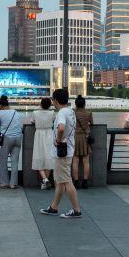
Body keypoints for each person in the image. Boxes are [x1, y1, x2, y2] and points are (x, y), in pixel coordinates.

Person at [39, 89, 83, 219]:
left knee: (66, 181)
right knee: (59, 181)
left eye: (53, 99)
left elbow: (61, 128)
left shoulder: (62, 113)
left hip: (62, 152)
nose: (52, 102)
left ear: (56, 100)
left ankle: (76, 210)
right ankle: (53, 207)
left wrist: (58, 140)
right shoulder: (71, 111)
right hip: (68, 149)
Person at [0, 96, 23, 188]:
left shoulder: (0, 113)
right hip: (18, 137)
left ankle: (4, 182)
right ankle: (13, 184)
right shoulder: (16, 112)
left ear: (0, 105)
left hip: (7, 138)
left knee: (1, 161)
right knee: (14, 161)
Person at [31, 98, 56, 189]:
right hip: (49, 134)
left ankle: (45, 180)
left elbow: (32, 122)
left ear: (41, 104)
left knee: (38, 156)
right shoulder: (52, 113)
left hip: (39, 135)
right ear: (49, 105)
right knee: (49, 157)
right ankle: (46, 181)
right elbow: (54, 122)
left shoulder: (35, 113)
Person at [72, 96, 94, 188]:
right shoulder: (89, 113)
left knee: (75, 161)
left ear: (76, 104)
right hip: (85, 138)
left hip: (75, 137)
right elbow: (91, 123)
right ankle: (85, 182)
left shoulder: (73, 113)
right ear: (84, 104)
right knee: (86, 161)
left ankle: (76, 182)